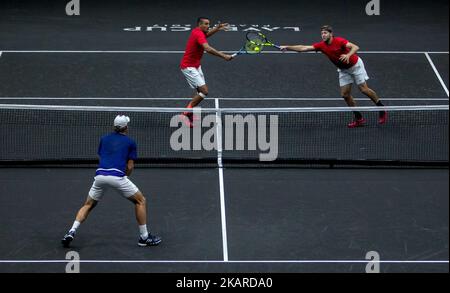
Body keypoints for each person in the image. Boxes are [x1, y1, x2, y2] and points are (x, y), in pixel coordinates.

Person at [61, 115, 161, 248]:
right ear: (126, 127)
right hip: (117, 177)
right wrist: (123, 178)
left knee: (88, 204)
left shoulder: (104, 139)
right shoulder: (131, 142)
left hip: (100, 176)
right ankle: (144, 237)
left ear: (114, 126)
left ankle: (71, 231)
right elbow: (130, 166)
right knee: (140, 200)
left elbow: (104, 157)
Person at [280, 25, 387, 128]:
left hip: (356, 66)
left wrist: (348, 55)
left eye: (325, 33)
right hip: (343, 70)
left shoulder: (340, 41)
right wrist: (287, 47)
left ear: (331, 34)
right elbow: (303, 48)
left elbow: (355, 47)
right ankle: (359, 118)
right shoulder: (321, 45)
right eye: (322, 33)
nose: (323, 35)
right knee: (345, 95)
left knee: (363, 89)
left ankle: (382, 109)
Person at [180, 17, 233, 127]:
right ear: (199, 24)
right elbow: (207, 49)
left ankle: (189, 111)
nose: (208, 26)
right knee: (204, 91)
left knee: (200, 91)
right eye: (206, 24)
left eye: (209, 24)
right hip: (189, 67)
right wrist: (224, 56)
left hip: (196, 66)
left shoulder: (197, 32)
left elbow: (206, 35)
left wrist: (217, 28)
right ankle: (185, 114)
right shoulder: (198, 33)